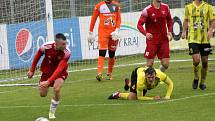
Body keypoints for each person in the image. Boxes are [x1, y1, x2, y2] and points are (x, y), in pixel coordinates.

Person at [27, 33, 71, 119]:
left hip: (60, 72)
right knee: (42, 94)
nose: (65, 46)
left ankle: (52, 112)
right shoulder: (46, 47)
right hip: (47, 70)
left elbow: (59, 69)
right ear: (56, 43)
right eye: (63, 44)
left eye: (65, 43)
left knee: (56, 89)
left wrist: (49, 81)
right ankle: (43, 85)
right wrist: (32, 70)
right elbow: (37, 56)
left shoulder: (67, 53)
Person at [182, 0, 215, 90]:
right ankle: (196, 77)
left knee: (205, 62)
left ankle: (202, 82)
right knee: (196, 60)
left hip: (205, 40)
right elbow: (185, 20)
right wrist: (184, 31)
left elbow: (213, 20)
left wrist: (211, 29)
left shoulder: (208, 7)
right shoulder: (188, 7)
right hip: (193, 38)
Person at [88, 0, 121, 81]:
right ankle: (99, 73)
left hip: (113, 33)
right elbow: (93, 19)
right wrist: (90, 32)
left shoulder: (116, 5)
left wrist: (117, 30)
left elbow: (118, 19)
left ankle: (109, 74)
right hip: (103, 33)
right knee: (102, 52)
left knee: (112, 53)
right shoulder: (99, 6)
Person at [137, 0, 173, 72]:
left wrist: (169, 31)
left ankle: (158, 75)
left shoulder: (166, 7)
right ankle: (145, 80)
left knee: (166, 64)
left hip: (164, 40)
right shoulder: (147, 10)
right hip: (152, 41)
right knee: (149, 64)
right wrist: (146, 33)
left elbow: (169, 20)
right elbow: (139, 25)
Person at [108, 67, 173, 100]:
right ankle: (118, 94)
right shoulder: (141, 81)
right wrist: (152, 98)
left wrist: (167, 96)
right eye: (149, 77)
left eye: (152, 77)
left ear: (155, 75)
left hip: (144, 82)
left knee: (141, 89)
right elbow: (140, 97)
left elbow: (170, 83)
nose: (151, 79)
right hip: (136, 74)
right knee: (133, 97)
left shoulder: (161, 75)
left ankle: (128, 83)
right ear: (145, 76)